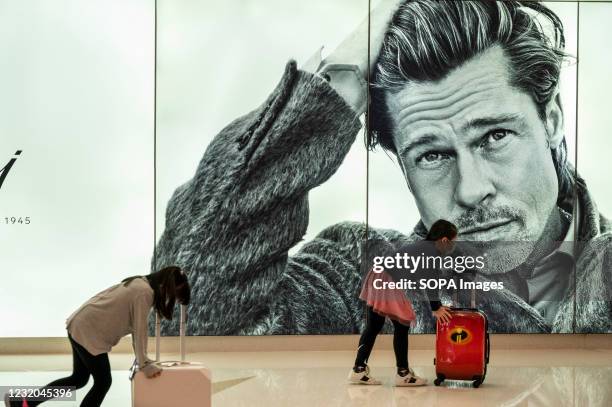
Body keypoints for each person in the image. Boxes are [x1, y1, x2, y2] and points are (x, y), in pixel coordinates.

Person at [154, 0, 611, 335]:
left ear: (550, 121)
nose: (471, 190)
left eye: (494, 137)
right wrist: (331, 96)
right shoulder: (374, 279)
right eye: (432, 155)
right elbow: (182, 316)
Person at [4, 266, 191, 407]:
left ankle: (20, 403)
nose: (170, 298)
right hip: (89, 332)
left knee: (78, 379)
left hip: (79, 324)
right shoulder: (144, 292)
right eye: (173, 294)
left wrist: (143, 360)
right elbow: (139, 330)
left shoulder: (139, 283)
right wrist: (144, 363)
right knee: (103, 382)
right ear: (166, 285)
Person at [348, 220, 456, 386]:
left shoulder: (424, 247)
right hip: (385, 278)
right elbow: (430, 282)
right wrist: (436, 308)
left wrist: (436, 306)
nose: (453, 246)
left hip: (378, 273)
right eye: (453, 241)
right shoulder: (431, 252)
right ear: (444, 240)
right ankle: (403, 374)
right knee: (401, 324)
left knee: (374, 326)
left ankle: (358, 369)